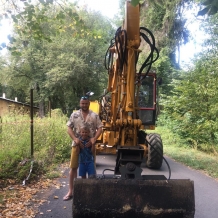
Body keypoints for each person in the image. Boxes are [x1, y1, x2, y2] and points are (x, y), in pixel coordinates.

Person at [63, 96, 103, 201]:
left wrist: (94, 139)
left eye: (86, 103)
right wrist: (75, 139)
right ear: (80, 103)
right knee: (73, 168)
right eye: (82, 103)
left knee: (91, 169)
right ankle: (71, 191)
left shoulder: (94, 115)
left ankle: (89, 191)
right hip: (77, 146)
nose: (84, 105)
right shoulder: (74, 115)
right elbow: (69, 128)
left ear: (89, 103)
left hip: (90, 146)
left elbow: (100, 128)